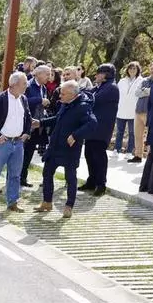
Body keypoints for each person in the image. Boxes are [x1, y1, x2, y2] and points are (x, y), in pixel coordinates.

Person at [33, 80, 97, 218]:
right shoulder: (64, 103)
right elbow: (58, 119)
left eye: (63, 93)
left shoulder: (83, 106)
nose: (59, 96)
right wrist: (41, 123)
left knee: (70, 178)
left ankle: (69, 206)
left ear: (73, 94)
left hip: (70, 149)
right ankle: (47, 202)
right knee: (47, 173)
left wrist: (75, 135)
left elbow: (92, 123)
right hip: (55, 145)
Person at [0, 72, 31, 214]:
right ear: (14, 84)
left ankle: (13, 202)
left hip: (18, 143)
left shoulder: (24, 99)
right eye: (24, 83)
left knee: (15, 175)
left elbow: (28, 117)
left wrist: (27, 132)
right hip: (2, 143)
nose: (26, 85)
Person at [79, 63, 119, 196]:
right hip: (92, 126)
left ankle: (101, 184)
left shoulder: (112, 87)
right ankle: (92, 180)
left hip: (102, 127)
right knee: (89, 154)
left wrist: (83, 94)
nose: (96, 75)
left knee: (98, 156)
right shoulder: (99, 86)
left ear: (107, 74)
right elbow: (86, 93)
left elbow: (93, 99)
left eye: (100, 73)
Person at [20, 65, 51, 188]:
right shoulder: (28, 85)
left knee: (29, 153)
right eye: (47, 74)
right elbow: (23, 100)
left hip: (37, 125)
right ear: (38, 74)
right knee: (21, 153)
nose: (49, 77)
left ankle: (23, 178)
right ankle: (15, 178)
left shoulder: (43, 87)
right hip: (26, 125)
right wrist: (39, 100)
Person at [131, 61, 153, 163]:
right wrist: (147, 91)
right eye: (152, 68)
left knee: (151, 136)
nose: (152, 70)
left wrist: (146, 91)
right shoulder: (145, 80)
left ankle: (150, 158)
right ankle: (138, 156)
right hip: (139, 111)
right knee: (137, 135)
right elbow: (137, 93)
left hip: (151, 113)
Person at [116, 62, 143, 157]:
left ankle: (129, 151)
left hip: (133, 111)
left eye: (134, 69)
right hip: (121, 110)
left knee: (132, 133)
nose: (132, 70)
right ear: (127, 70)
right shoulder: (122, 81)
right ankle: (117, 149)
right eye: (130, 68)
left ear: (137, 70)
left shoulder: (141, 81)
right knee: (120, 131)